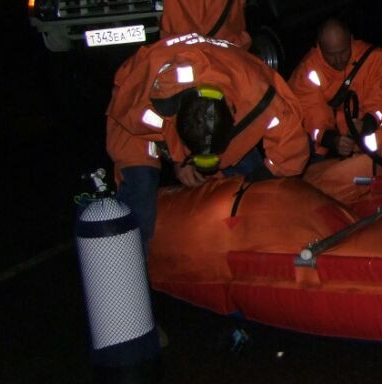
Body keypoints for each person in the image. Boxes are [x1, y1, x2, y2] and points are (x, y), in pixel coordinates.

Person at [106, 33, 309, 247]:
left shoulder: (258, 93)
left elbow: (291, 146)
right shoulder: (153, 96)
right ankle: (130, 264)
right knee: (141, 196)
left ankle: (247, 250)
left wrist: (259, 179)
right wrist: (178, 159)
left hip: (232, 91)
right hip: (135, 122)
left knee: (258, 195)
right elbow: (137, 121)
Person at [288, 18, 382, 158]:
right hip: (334, 142)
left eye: (343, 52)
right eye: (330, 55)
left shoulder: (376, 60)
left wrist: (366, 124)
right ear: (319, 47)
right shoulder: (307, 71)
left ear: (351, 40)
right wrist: (333, 140)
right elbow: (311, 114)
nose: (338, 60)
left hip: (369, 129)